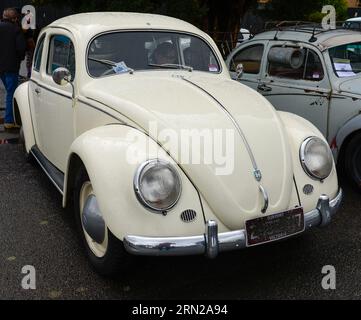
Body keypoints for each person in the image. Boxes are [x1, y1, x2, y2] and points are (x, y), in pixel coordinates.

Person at [0, 8, 26, 131]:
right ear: (15, 18)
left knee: (9, 91)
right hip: (11, 66)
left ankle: (9, 118)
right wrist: (20, 58)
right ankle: (9, 121)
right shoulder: (16, 29)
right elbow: (21, 48)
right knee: (11, 93)